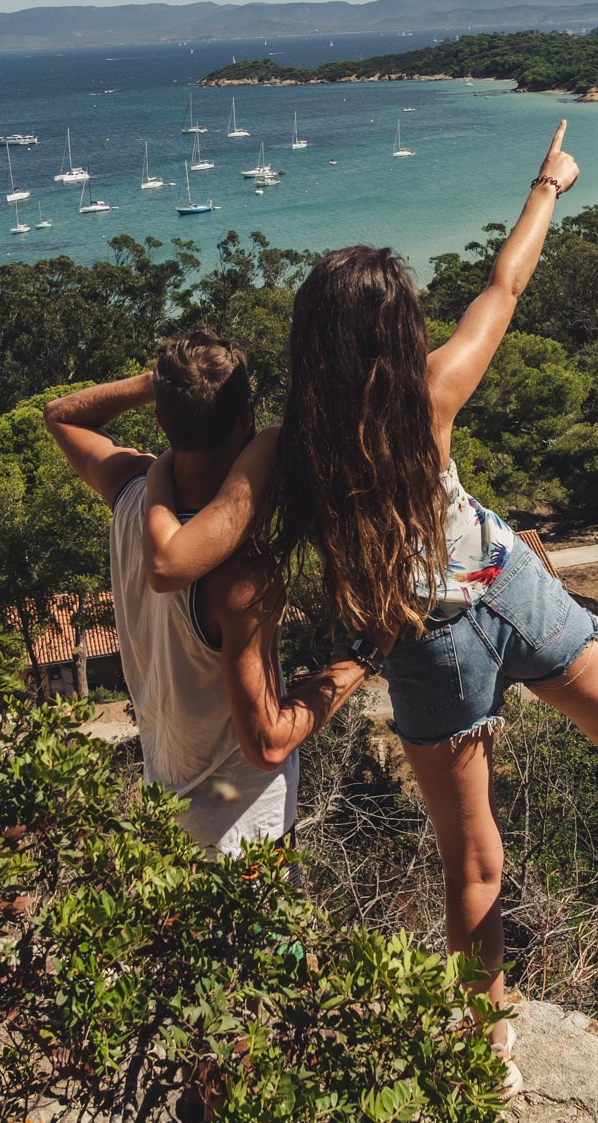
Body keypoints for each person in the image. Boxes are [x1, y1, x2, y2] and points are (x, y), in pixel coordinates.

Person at [140, 129, 598, 1090]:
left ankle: (488, 1053)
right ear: (400, 335)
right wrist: (548, 184)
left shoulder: (284, 452)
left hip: (431, 648)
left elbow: (172, 560)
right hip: (513, 583)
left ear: (309, 344)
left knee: (474, 870)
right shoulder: (433, 393)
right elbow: (505, 286)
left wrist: (161, 452)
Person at [44, 332, 381, 860]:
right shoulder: (242, 579)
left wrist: (162, 387)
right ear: (246, 416)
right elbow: (268, 742)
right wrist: (365, 656)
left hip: (165, 823)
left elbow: (62, 414)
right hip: (245, 840)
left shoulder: (132, 490)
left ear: (160, 417)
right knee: (282, 948)